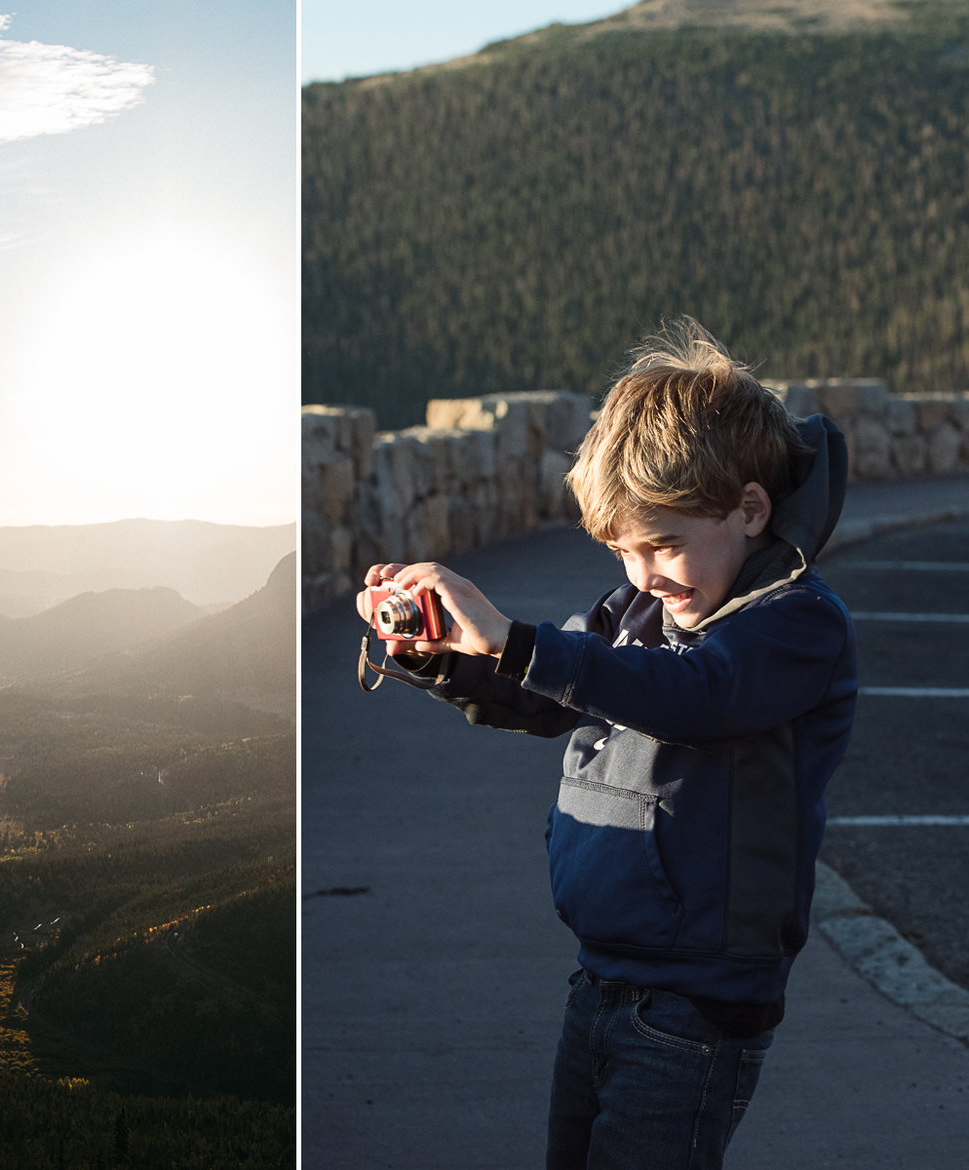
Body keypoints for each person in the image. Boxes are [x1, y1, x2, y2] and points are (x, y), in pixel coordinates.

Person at [357, 321, 857, 1169]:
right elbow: (547, 695)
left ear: (749, 508)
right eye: (623, 550)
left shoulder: (796, 626)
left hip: (699, 1003)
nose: (643, 575)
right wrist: (446, 657)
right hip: (602, 978)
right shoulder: (638, 612)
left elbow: (694, 695)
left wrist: (518, 640)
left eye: (663, 544)